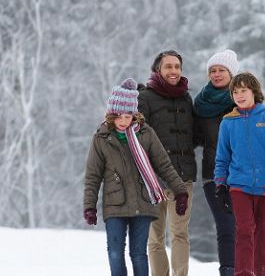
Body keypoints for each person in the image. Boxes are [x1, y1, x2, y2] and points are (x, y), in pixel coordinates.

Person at [83, 78, 189, 276]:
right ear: (111, 115)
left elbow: (164, 165)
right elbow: (92, 176)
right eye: (119, 116)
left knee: (138, 253)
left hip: (143, 202)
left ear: (135, 114)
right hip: (115, 205)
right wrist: (89, 206)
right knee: (115, 252)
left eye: (129, 116)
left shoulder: (146, 134)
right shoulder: (101, 138)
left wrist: (180, 191)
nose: (124, 121)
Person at [214, 72, 265, 276]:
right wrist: (221, 185)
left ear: (254, 92)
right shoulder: (228, 122)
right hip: (238, 186)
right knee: (244, 230)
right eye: (235, 91)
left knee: (263, 235)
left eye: (243, 90)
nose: (239, 95)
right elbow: (222, 158)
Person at [138, 50, 197, 276]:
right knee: (156, 237)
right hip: (152, 179)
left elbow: (193, 133)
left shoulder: (186, 98)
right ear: (158, 70)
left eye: (177, 67)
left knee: (180, 233)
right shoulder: (145, 98)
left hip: (182, 177)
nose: (173, 71)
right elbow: (138, 136)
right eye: (168, 67)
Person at [193, 50, 239, 276]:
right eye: (212, 70)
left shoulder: (243, 100)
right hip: (214, 174)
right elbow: (191, 138)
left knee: (246, 227)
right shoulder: (201, 104)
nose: (217, 74)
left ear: (232, 73)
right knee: (226, 227)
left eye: (221, 70)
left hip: (243, 174)